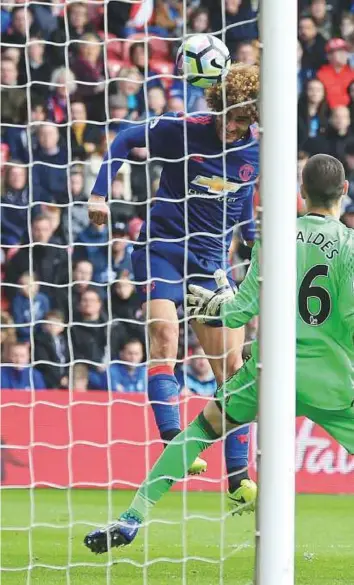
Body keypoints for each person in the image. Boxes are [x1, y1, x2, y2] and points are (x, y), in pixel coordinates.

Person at [84, 153, 354, 554]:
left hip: (270, 375)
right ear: (344, 192)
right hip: (331, 381)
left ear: (302, 192)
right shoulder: (349, 247)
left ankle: (131, 517)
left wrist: (211, 305)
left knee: (197, 433)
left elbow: (239, 310)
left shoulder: (275, 237)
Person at [87, 64, 259, 499]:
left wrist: (255, 245)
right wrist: (99, 194)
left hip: (210, 262)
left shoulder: (256, 155)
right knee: (164, 335)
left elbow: (243, 205)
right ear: (216, 106)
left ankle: (238, 478)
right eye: (227, 115)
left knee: (233, 372)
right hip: (163, 248)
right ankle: (172, 441)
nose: (231, 125)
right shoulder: (186, 129)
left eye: (241, 119)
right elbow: (127, 137)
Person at [34, 310, 69, 389]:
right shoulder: (40, 341)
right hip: (49, 376)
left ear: (62, 326)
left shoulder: (65, 341)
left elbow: (68, 359)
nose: (53, 325)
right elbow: (44, 363)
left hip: (64, 376)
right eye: (49, 323)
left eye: (56, 323)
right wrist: (59, 378)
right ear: (44, 326)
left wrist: (66, 375)